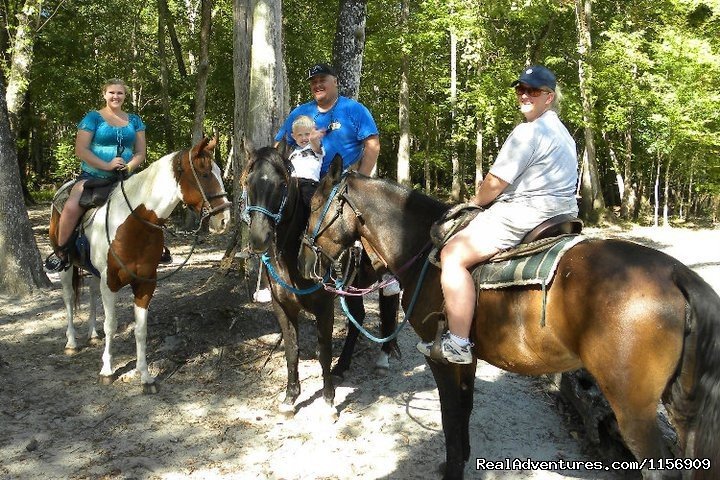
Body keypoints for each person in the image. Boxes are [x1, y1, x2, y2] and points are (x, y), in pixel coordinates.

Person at [417, 65, 579, 364]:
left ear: (549, 97)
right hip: (563, 212)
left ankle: (458, 343)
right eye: (521, 89)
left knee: (452, 254)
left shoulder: (528, 131)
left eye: (533, 91)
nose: (524, 95)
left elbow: (494, 184)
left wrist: (475, 203)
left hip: (527, 211)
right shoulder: (564, 133)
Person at [44, 78, 147, 272]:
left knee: (150, 205)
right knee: (73, 204)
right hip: (93, 175)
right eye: (112, 93)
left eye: (120, 93)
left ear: (125, 96)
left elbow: (141, 153)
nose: (116, 96)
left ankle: (155, 248)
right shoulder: (93, 118)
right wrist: (107, 165)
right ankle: (61, 252)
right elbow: (81, 150)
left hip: (126, 177)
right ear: (104, 94)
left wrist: (130, 166)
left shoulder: (134, 120)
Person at [288, 114, 325, 219]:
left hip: (309, 185)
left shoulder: (315, 149)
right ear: (293, 136)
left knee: (307, 207)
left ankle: (308, 228)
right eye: (299, 135)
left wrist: (313, 140)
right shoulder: (292, 154)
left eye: (307, 134)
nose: (304, 138)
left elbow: (316, 146)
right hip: (292, 185)